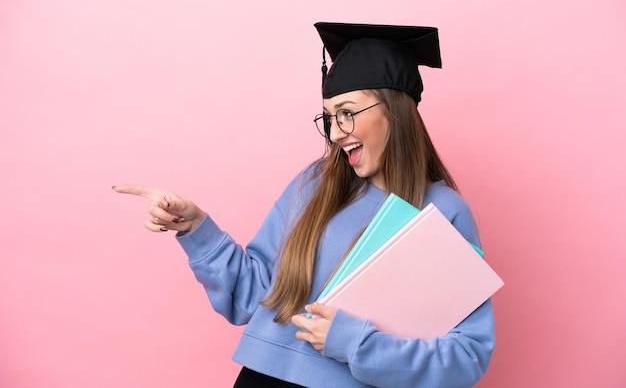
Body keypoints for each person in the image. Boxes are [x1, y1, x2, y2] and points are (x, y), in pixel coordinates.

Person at [113, 22, 495, 388]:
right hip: (260, 379)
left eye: (347, 113)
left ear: (395, 112)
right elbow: (254, 299)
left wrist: (353, 342)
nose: (335, 132)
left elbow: (466, 355)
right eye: (328, 118)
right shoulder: (314, 185)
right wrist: (196, 228)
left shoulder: (444, 212)